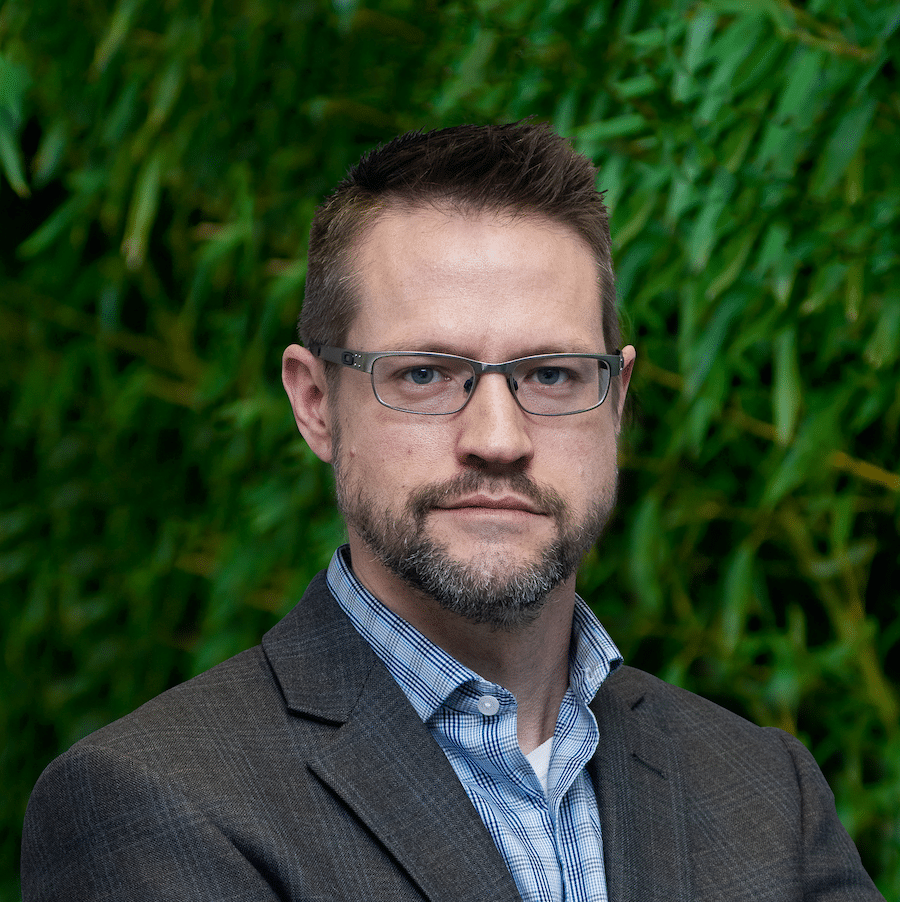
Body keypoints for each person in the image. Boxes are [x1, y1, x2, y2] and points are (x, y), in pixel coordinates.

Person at [22, 122, 883, 902]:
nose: (498, 438)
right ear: (316, 402)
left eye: (550, 375)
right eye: (427, 375)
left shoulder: (766, 792)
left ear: (615, 400)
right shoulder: (157, 801)